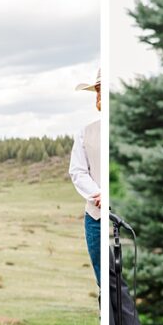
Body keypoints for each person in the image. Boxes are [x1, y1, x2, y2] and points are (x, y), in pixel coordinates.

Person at [69, 69, 102, 284]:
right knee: (103, 280)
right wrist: (98, 193)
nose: (99, 96)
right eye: (98, 92)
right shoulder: (86, 131)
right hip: (96, 216)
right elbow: (78, 171)